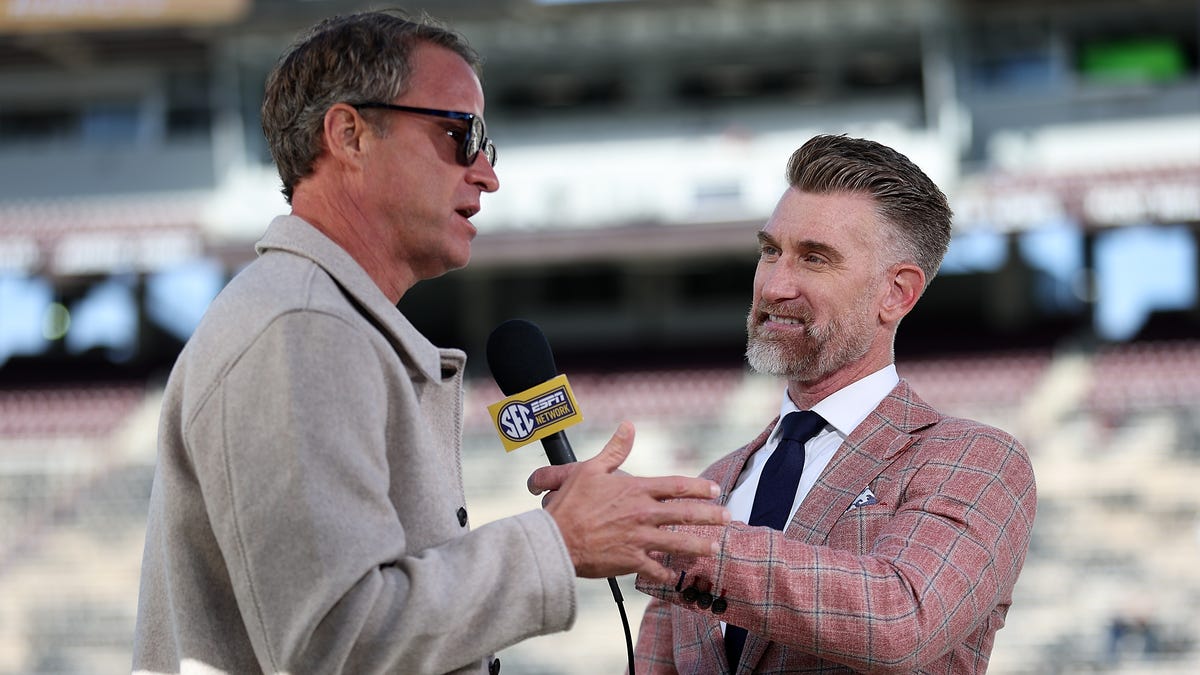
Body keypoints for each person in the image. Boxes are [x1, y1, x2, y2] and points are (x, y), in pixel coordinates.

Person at [132, 10, 729, 675]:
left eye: (486, 146)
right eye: (458, 133)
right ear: (349, 135)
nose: (486, 173)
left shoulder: (316, 314)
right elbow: (341, 640)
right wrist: (558, 543)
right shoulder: (303, 326)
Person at [530, 134, 1038, 673]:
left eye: (814, 259)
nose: (774, 285)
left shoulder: (975, 460)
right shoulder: (712, 484)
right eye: (770, 251)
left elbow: (901, 619)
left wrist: (665, 535)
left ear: (897, 293)